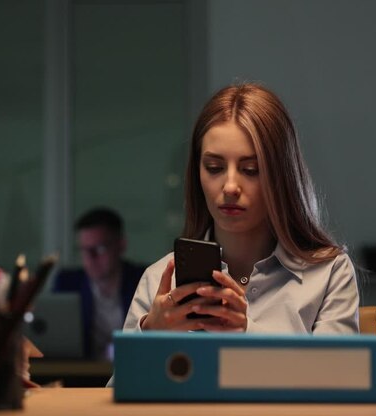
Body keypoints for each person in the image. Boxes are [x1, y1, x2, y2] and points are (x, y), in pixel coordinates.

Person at [123, 82, 359, 334]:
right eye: (214, 167)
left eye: (250, 170)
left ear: (282, 176)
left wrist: (247, 335)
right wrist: (149, 338)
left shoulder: (329, 273)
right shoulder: (160, 279)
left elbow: (336, 375)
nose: (230, 187)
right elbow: (123, 376)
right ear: (197, 174)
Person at [52, 207, 145, 360]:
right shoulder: (67, 284)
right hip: (80, 375)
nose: (90, 257)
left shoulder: (141, 280)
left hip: (135, 368)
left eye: (100, 248)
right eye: (84, 249)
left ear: (121, 245)